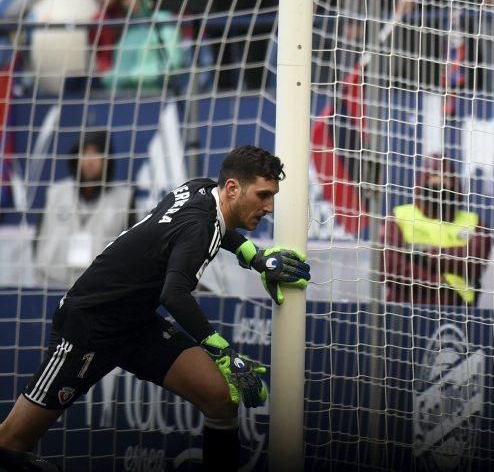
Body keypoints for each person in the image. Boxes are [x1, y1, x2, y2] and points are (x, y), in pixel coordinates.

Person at [0, 145, 311, 472]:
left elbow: (222, 229)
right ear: (232, 188)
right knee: (11, 442)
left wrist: (257, 257)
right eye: (263, 195)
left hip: (136, 324)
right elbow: (174, 295)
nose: (269, 206)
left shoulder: (202, 187)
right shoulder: (199, 228)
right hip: (89, 326)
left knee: (221, 399)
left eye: (272, 196)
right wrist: (223, 352)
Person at [381, 155, 492, 307]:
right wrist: (439, 281)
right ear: (422, 181)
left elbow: (474, 263)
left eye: (445, 177)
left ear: (455, 183)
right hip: (403, 308)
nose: (439, 182)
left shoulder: (475, 223)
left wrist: (423, 255)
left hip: (457, 309)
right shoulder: (399, 217)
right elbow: (389, 268)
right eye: (434, 176)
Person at [34, 131, 133, 285]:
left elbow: (132, 248)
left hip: (102, 287)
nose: (89, 161)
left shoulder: (124, 198)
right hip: (53, 283)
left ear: (107, 159)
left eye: (96, 154)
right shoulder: (56, 193)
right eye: (84, 154)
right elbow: (38, 238)